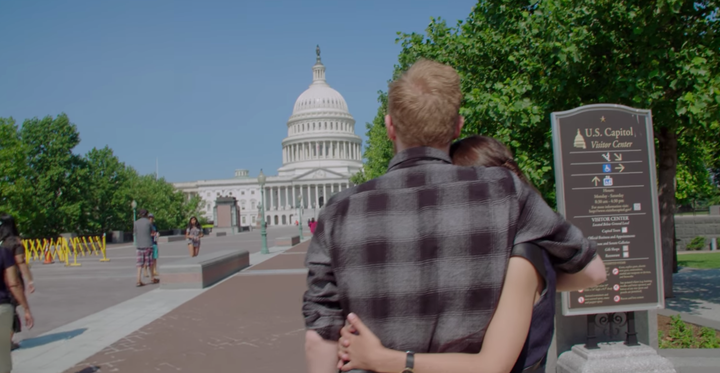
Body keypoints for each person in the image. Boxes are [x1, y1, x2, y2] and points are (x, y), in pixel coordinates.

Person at [302, 59, 606, 373]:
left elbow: (320, 338)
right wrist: (521, 285)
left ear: (390, 126)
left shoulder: (338, 212)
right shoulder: (506, 192)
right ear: (457, 126)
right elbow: (593, 272)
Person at [0, 213, 34, 372]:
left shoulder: (4, 244)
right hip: (7, 291)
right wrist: (30, 280)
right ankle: (6, 343)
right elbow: (19, 267)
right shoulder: (13, 244)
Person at [134, 209, 158, 287]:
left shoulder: (136, 223)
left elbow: (135, 232)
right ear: (147, 214)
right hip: (148, 245)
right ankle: (152, 278)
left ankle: (138, 280)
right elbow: (153, 232)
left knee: (139, 264)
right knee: (149, 263)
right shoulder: (148, 222)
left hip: (139, 246)